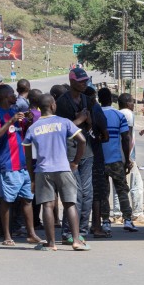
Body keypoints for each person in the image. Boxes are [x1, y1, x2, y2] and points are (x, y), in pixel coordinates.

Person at [22, 94, 88, 251]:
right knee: (70, 204)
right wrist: (75, 162)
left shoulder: (33, 127)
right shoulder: (63, 122)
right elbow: (82, 141)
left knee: (47, 205)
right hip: (63, 168)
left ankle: (51, 243)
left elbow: (28, 156)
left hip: (43, 170)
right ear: (52, 105)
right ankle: (76, 241)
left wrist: (32, 179)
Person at [0, 84, 44, 247]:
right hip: (7, 164)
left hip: (23, 164)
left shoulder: (14, 112)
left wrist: (28, 120)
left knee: (27, 199)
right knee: (7, 200)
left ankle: (31, 233)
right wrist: (11, 121)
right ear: (5, 96)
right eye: (12, 94)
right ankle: (7, 235)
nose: (15, 96)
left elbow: (23, 131)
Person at [54, 68, 107, 241]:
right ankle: (68, 232)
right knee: (73, 193)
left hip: (88, 152)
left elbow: (93, 127)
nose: (84, 83)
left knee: (87, 193)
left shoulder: (87, 100)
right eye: (81, 81)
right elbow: (60, 129)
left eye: (86, 80)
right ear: (72, 81)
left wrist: (89, 121)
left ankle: (82, 231)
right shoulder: (62, 102)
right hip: (69, 153)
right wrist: (78, 121)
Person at [96, 87, 137, 233]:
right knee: (122, 190)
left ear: (99, 99)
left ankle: (105, 221)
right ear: (111, 100)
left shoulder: (95, 114)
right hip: (116, 160)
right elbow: (126, 138)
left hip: (100, 161)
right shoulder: (118, 115)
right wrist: (127, 159)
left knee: (103, 193)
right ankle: (127, 220)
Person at [117, 92, 144, 225]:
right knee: (136, 184)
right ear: (127, 102)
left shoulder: (117, 113)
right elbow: (127, 136)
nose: (133, 104)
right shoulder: (128, 114)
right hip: (128, 154)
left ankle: (117, 214)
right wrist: (129, 157)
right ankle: (136, 213)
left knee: (120, 184)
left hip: (119, 154)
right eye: (132, 102)